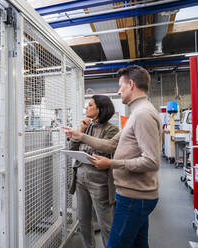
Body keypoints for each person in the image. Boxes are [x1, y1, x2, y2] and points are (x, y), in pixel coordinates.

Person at [64, 65, 162, 248]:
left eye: (120, 86)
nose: (118, 91)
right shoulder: (137, 113)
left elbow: (151, 161)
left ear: (131, 84)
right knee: (138, 244)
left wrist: (111, 163)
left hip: (135, 196)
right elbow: (111, 144)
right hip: (133, 194)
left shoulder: (142, 115)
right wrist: (80, 135)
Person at [67, 95, 119, 248]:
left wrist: (82, 137)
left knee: (106, 223)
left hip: (100, 181)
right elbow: (72, 148)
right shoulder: (87, 127)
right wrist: (80, 131)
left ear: (100, 109)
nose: (86, 108)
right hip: (81, 178)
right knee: (83, 220)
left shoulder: (112, 130)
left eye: (90, 105)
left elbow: (106, 149)